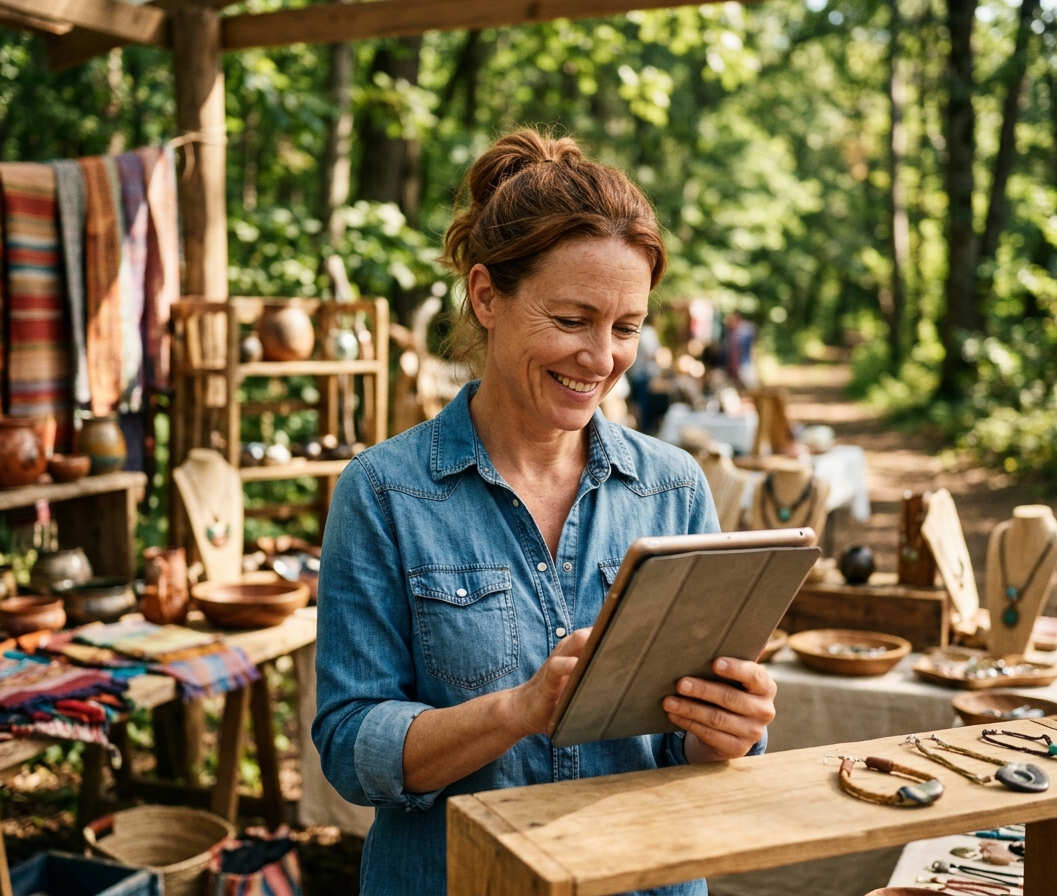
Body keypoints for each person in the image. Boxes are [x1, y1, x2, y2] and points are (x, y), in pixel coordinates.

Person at [312, 130, 777, 896]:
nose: (601, 358)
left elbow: (685, 758)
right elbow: (350, 745)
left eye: (626, 327)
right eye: (571, 320)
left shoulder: (674, 489)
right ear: (487, 294)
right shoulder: (384, 493)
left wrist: (727, 729)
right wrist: (519, 710)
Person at [723, 311, 759, 390]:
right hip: (733, 365)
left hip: (745, 363)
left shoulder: (746, 330)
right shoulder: (729, 332)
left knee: (752, 387)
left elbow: (752, 346)